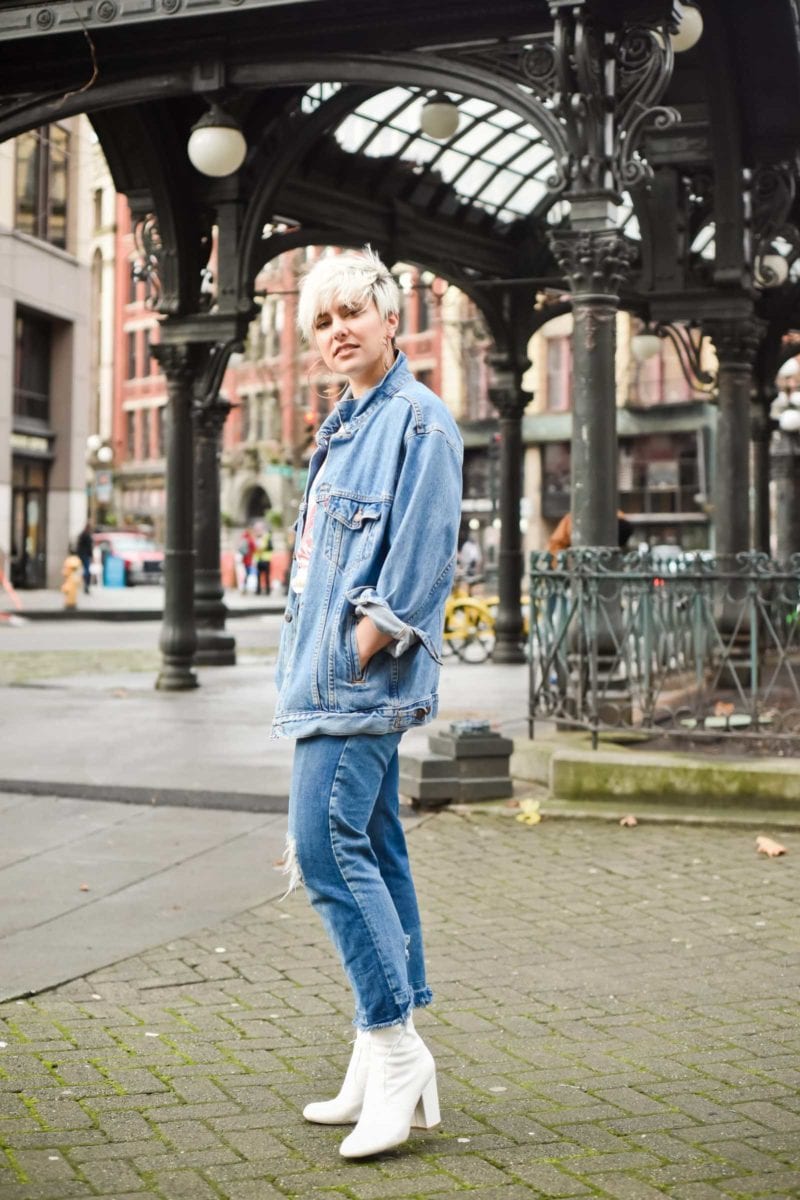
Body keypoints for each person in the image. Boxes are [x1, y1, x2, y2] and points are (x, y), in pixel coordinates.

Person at [273, 248, 463, 1159]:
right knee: (377, 852)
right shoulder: (345, 423)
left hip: (356, 686)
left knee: (325, 851)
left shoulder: (419, 423)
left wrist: (358, 650)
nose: (338, 329)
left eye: (353, 311)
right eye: (321, 319)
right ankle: (371, 1048)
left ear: (392, 319)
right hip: (323, 678)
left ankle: (396, 1054)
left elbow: (420, 565)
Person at [255, 526, 273, 595]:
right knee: (260, 576)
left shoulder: (266, 538)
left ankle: (265, 590)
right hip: (261, 559)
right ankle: (260, 590)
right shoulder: (260, 538)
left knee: (265, 576)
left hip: (265, 559)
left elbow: (270, 548)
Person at [76, 523, 93, 595]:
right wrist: (91, 556)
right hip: (85, 555)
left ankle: (84, 584)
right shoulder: (87, 535)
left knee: (84, 570)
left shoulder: (81, 534)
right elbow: (89, 547)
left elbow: (78, 546)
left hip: (81, 555)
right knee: (87, 570)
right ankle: (86, 585)